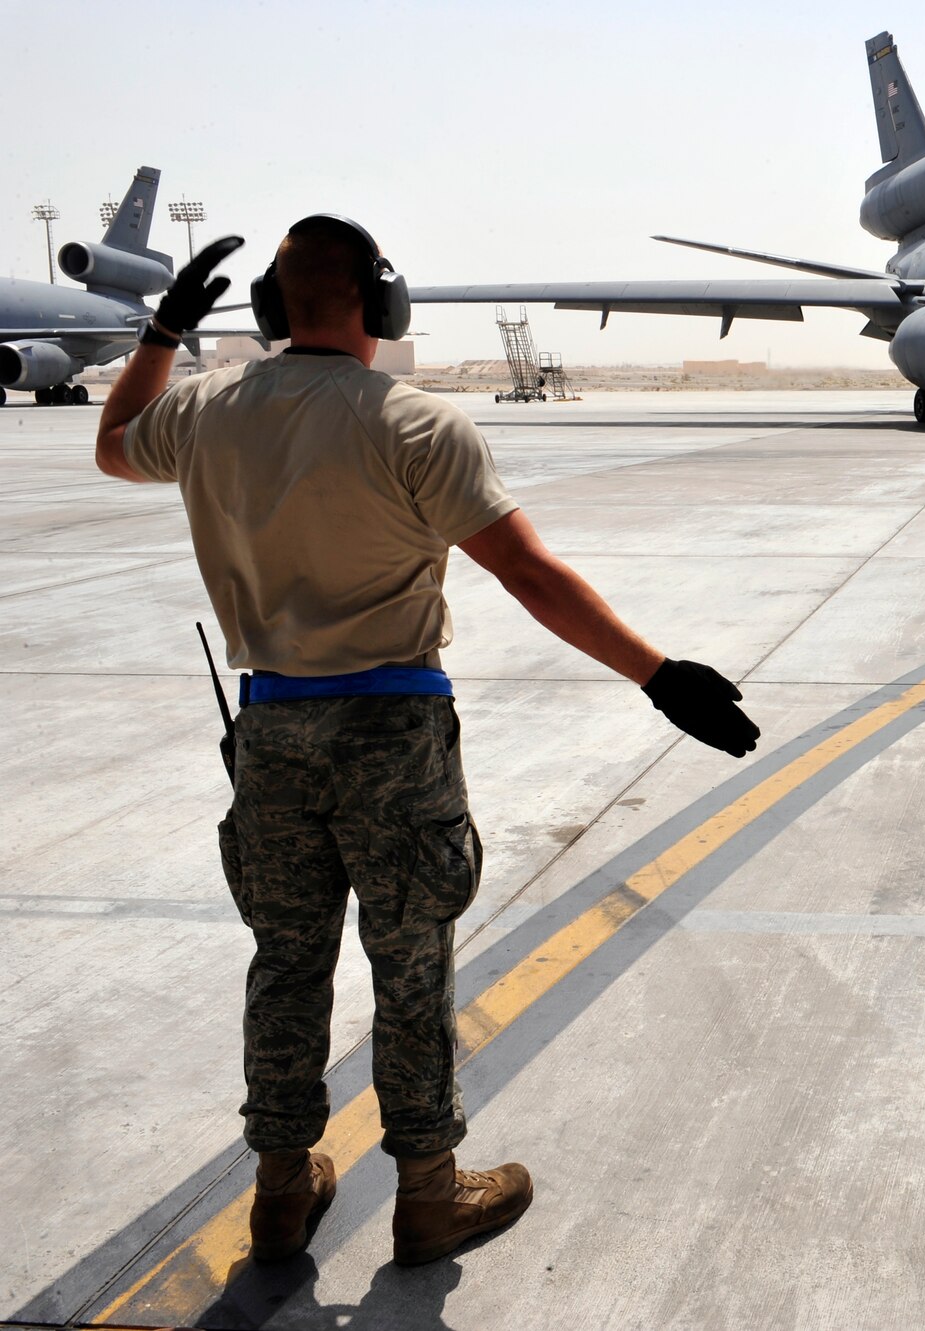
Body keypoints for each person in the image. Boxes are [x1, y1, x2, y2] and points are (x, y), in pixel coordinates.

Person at [93, 218, 759, 1267]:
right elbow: (528, 574)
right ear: (381, 302)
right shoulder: (413, 422)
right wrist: (656, 673)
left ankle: (278, 1189)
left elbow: (109, 442)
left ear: (271, 309)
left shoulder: (204, 411)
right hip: (391, 732)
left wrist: (165, 329)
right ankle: (430, 1193)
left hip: (269, 730)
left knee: (285, 961)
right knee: (409, 967)